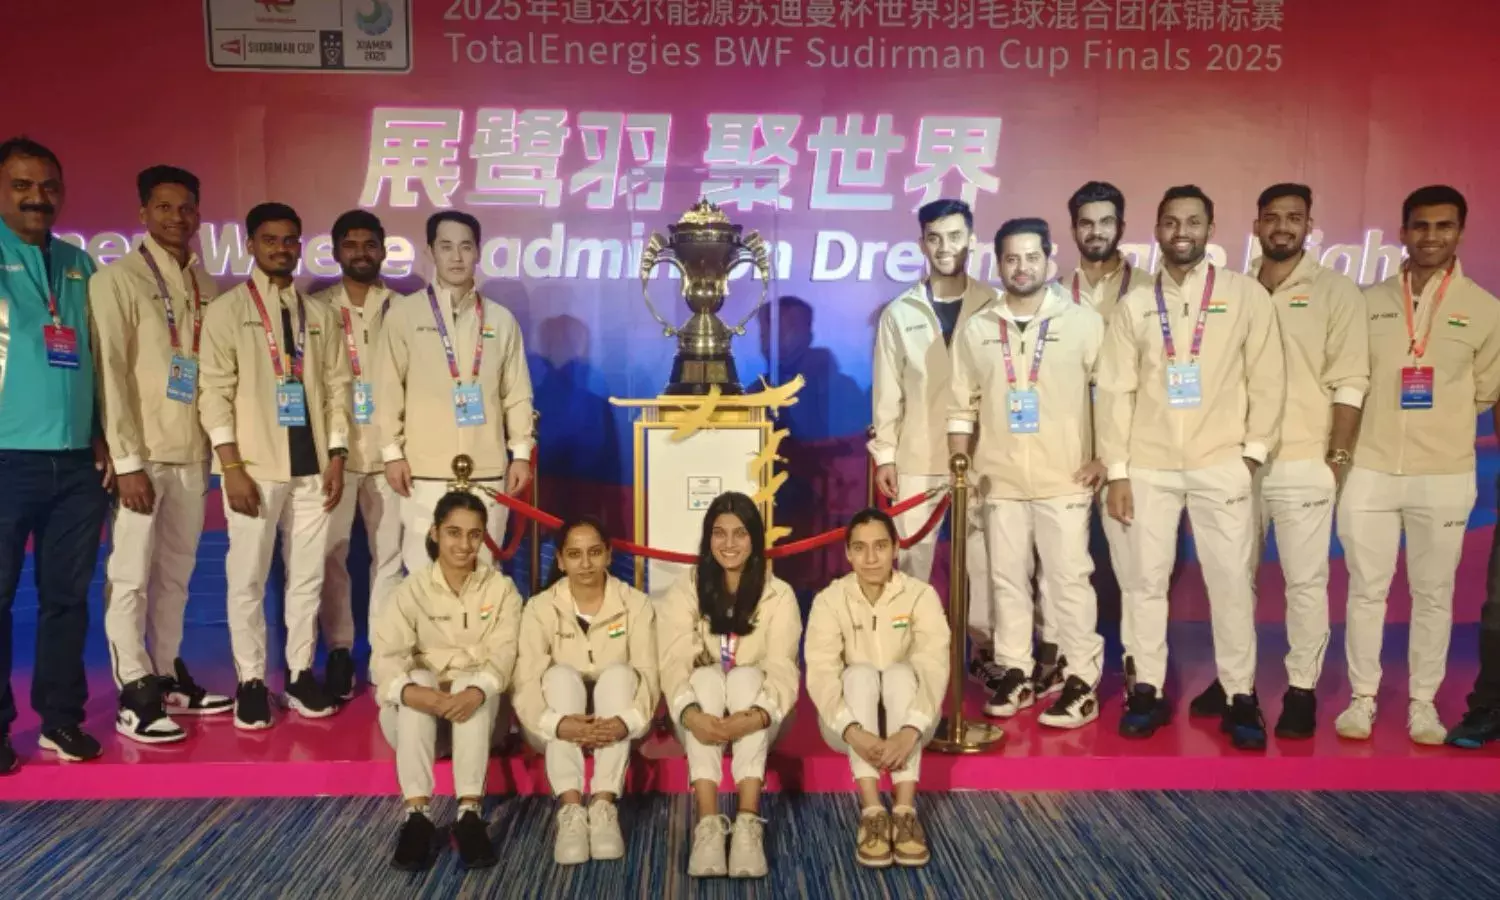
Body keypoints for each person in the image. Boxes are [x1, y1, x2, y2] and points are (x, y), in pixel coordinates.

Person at [1097, 185, 1285, 750]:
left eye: (1194, 221)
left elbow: (1267, 377)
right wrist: (1118, 471)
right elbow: (1115, 392)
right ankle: (1146, 690)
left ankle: (1240, 695)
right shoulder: (1135, 305)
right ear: (1157, 230)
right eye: (1172, 222)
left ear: (1210, 229)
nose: (1182, 232)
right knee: (1144, 583)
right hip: (1148, 467)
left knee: (1231, 583)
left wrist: (1252, 454)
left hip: (1220, 462)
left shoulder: (1244, 295)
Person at [1186, 184, 1367, 739]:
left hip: (1301, 461)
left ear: (1309, 226)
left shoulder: (1336, 292)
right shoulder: (1234, 290)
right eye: (1272, 217)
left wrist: (1335, 459)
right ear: (1256, 226)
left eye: (1294, 218)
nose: (1282, 227)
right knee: (1232, 579)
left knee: (1305, 583)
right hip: (1234, 462)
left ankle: (1301, 689)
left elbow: (1351, 382)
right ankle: (1234, 680)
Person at [1336, 185, 1500, 746]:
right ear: (1403, 231)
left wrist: (1438, 426)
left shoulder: (1485, 310)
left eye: (1444, 226)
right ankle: (1362, 698)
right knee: (1366, 590)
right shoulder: (1367, 301)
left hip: (1445, 474)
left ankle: (1423, 704)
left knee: (1434, 593)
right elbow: (1351, 378)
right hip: (1370, 469)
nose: (1431, 236)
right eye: (1421, 226)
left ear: (1460, 232)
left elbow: (1484, 390)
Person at [91, 164, 233, 744]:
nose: (178, 217)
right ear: (143, 212)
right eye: (165, 207)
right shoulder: (117, 279)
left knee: (176, 574)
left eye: (187, 207)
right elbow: (110, 372)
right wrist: (125, 462)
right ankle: (135, 689)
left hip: (191, 453)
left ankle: (168, 672)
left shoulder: (206, 285)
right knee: (130, 577)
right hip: (142, 456)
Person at [948, 218, 1107, 727]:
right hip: (999, 480)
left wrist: (1105, 457)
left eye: (1032, 257)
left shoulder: (1082, 322)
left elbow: (1109, 394)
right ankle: (1015, 668)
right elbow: (961, 407)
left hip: (1066, 478)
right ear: (998, 263)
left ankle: (1081, 678)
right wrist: (961, 469)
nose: (1022, 267)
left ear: (1049, 259)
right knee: (1006, 581)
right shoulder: (978, 329)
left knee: (1069, 581)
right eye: (1012, 259)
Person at [199, 202, 351, 729]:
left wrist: (337, 455)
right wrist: (231, 466)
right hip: (254, 468)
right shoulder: (227, 311)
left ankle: (301, 673)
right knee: (247, 577)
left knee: (307, 577)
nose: (281, 249)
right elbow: (213, 393)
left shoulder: (319, 314)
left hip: (313, 470)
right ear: (250, 245)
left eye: (290, 240)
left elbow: (338, 389)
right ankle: (250, 681)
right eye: (270, 240)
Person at [0, 136, 113, 772]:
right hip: (5, 459)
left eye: (47, 186)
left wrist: (101, 434)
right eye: (21, 185)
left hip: (75, 464)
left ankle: (60, 719)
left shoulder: (79, 263)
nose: (36, 197)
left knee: (66, 598)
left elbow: (97, 354)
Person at [868, 199, 999, 693]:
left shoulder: (994, 304)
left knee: (984, 564)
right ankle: (910, 658)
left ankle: (985, 654)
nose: (946, 247)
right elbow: (888, 392)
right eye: (935, 238)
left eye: (955, 236)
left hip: (983, 459)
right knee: (911, 564)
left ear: (972, 240)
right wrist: (885, 455)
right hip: (917, 458)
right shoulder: (900, 312)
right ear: (922, 243)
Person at [374, 210, 535, 574]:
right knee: (422, 571)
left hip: (487, 470)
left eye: (465, 246)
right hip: (422, 470)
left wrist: (521, 454)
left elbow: (516, 392)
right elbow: (387, 389)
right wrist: (392, 454)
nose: (457, 257)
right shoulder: (404, 315)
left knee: (484, 572)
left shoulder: (500, 319)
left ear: (478, 251)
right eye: (446, 247)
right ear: (430, 251)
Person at [371, 490, 522, 871]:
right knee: (417, 678)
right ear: (435, 533)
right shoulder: (409, 591)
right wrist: (422, 695)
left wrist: (472, 691)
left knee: (475, 681)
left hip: (480, 719)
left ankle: (469, 814)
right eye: (454, 532)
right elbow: (385, 661)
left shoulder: (501, 590)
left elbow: (505, 655)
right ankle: (416, 817)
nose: (464, 544)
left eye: (474, 534)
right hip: (419, 723)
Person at [657, 492, 802, 879]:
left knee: (745, 676)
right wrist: (691, 715)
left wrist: (755, 716)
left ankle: (747, 822)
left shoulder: (779, 594)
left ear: (755, 538)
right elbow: (673, 661)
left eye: (740, 533)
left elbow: (783, 669)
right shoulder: (687, 588)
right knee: (705, 677)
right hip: (698, 714)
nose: (729, 543)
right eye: (719, 533)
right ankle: (707, 823)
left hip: (762, 714)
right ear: (708, 538)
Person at [804, 507, 948, 868]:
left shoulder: (920, 595)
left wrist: (910, 729)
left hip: (912, 720)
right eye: (860, 548)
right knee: (859, 675)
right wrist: (854, 732)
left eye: (880, 546)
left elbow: (933, 666)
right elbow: (821, 673)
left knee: (900, 673)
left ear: (896, 549)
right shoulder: (829, 600)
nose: (871, 558)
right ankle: (872, 812)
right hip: (849, 724)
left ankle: (904, 811)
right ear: (848, 553)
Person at [513, 516, 658, 865]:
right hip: (556, 721)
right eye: (575, 554)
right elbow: (526, 681)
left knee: (620, 674)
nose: (586, 563)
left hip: (619, 719)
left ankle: (604, 804)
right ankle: (571, 809)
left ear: (608, 555)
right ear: (560, 560)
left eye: (594, 552)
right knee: (559, 676)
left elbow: (650, 675)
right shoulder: (539, 608)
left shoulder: (636, 604)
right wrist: (558, 724)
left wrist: (625, 721)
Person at [1066, 181, 1155, 691]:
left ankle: (1142, 668)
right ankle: (1067, 666)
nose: (1096, 231)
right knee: (1063, 572)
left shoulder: (1150, 291)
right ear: (1074, 229)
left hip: (1128, 455)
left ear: (1120, 226)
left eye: (1105, 222)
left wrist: (1113, 455)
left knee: (1137, 570)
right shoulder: (1054, 294)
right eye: (1086, 223)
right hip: (1069, 455)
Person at [313, 209, 404, 702]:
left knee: (389, 558)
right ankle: (340, 650)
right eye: (350, 245)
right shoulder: (316, 308)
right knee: (332, 554)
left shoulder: (404, 309)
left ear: (384, 250)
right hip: (336, 453)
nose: (361, 253)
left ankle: (384, 653)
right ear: (335, 251)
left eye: (370, 244)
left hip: (391, 453)